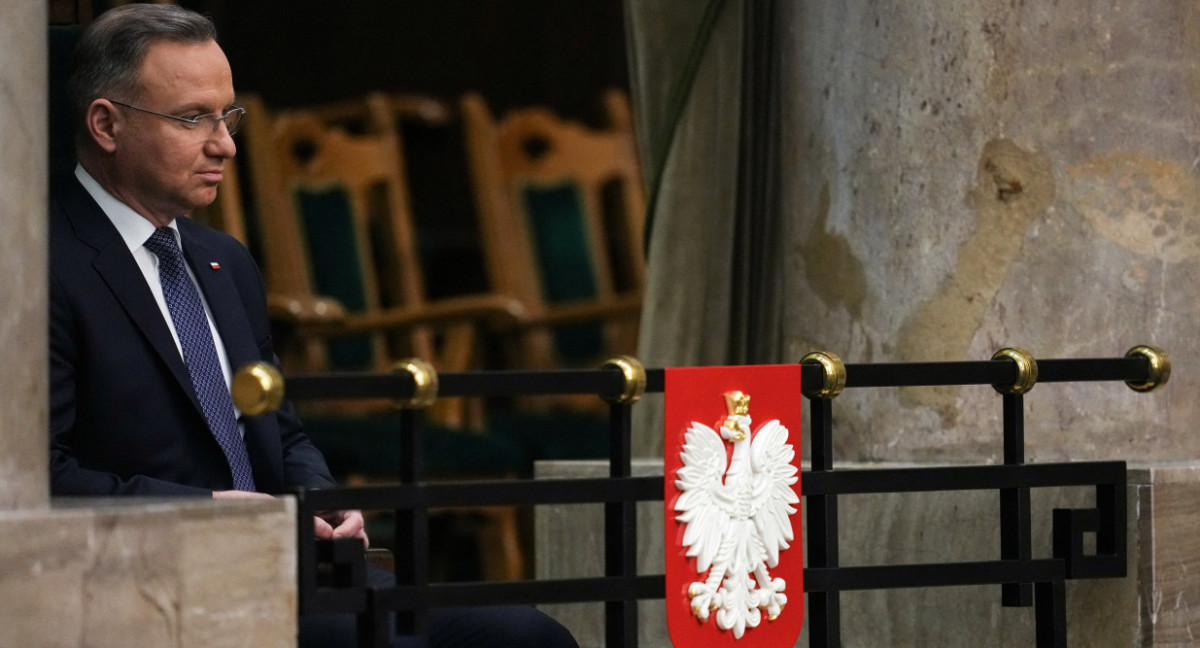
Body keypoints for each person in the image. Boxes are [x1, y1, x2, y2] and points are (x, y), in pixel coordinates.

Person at [49, 5, 578, 648]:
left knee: (529, 636)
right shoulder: (37, 266)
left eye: (227, 116)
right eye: (193, 119)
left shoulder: (224, 262)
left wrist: (318, 494)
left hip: (298, 576)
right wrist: (198, 513)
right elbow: (39, 477)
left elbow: (283, 430)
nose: (225, 144)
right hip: (154, 591)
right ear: (106, 124)